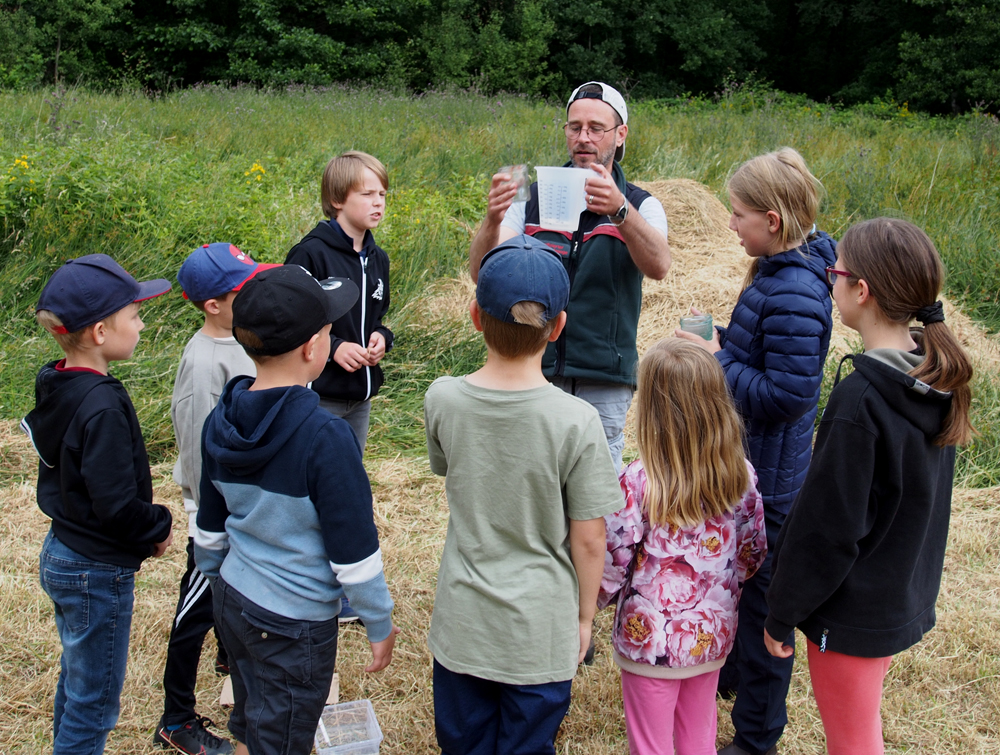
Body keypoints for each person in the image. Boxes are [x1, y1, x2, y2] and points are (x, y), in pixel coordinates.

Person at [764, 218, 974, 755]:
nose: (828, 282)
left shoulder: (863, 399)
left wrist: (782, 612)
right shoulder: (932, 374)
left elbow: (828, 529)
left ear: (861, 290)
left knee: (854, 743)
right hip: (895, 595)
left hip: (851, 612)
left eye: (835, 272)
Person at [424, 235, 623, 755]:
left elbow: (449, 468)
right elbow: (590, 539)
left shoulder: (443, 397)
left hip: (464, 626)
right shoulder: (577, 421)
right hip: (540, 630)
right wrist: (583, 619)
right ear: (559, 327)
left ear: (474, 316)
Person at [194, 265, 399, 755]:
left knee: (251, 722)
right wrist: (378, 620)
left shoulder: (222, 415)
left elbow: (208, 527)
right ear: (313, 349)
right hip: (292, 624)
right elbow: (354, 550)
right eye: (330, 331)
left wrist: (217, 575)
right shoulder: (325, 437)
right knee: (284, 740)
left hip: (234, 600)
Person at [675, 147, 837, 755]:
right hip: (761, 469)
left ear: (772, 220)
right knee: (744, 600)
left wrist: (714, 361)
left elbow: (790, 394)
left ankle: (756, 738)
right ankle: (732, 681)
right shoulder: (789, 268)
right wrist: (726, 342)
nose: (731, 224)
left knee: (767, 615)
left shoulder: (792, 288)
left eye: (739, 214)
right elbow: (770, 363)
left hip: (772, 484)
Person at [469, 81, 671, 474]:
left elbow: (659, 265)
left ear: (620, 134)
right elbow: (484, 272)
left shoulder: (643, 204)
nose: (583, 138)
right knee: (528, 482)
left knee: (593, 497)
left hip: (603, 378)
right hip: (530, 366)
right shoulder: (533, 197)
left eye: (596, 128)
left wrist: (620, 211)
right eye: (574, 127)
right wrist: (492, 220)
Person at [23, 254, 174, 754]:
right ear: (101, 332)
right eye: (134, 314)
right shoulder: (103, 404)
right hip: (94, 569)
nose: (143, 322)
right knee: (95, 704)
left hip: (63, 551)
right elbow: (116, 506)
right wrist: (158, 525)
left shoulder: (57, 380)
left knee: (77, 683)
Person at [599, 338, 767, 755]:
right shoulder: (740, 476)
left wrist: (592, 602)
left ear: (652, 409)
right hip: (711, 637)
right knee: (699, 736)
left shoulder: (638, 481)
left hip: (649, 641)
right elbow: (752, 551)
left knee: (651, 745)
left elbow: (612, 560)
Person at [153, 243, 278, 755]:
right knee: (194, 612)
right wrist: (216, 520)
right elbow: (198, 449)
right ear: (213, 304)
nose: (252, 292)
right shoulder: (204, 366)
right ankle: (175, 719)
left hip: (239, 506)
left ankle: (230, 657)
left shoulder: (238, 341)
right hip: (215, 516)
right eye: (241, 289)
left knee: (231, 596)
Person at [285, 150, 392, 456]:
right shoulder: (310, 254)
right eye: (367, 193)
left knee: (348, 473)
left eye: (383, 194)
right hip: (318, 395)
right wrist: (333, 347)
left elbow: (378, 316)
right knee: (312, 476)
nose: (378, 202)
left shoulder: (377, 258)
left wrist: (382, 338)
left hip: (361, 396)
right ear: (337, 200)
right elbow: (289, 322)